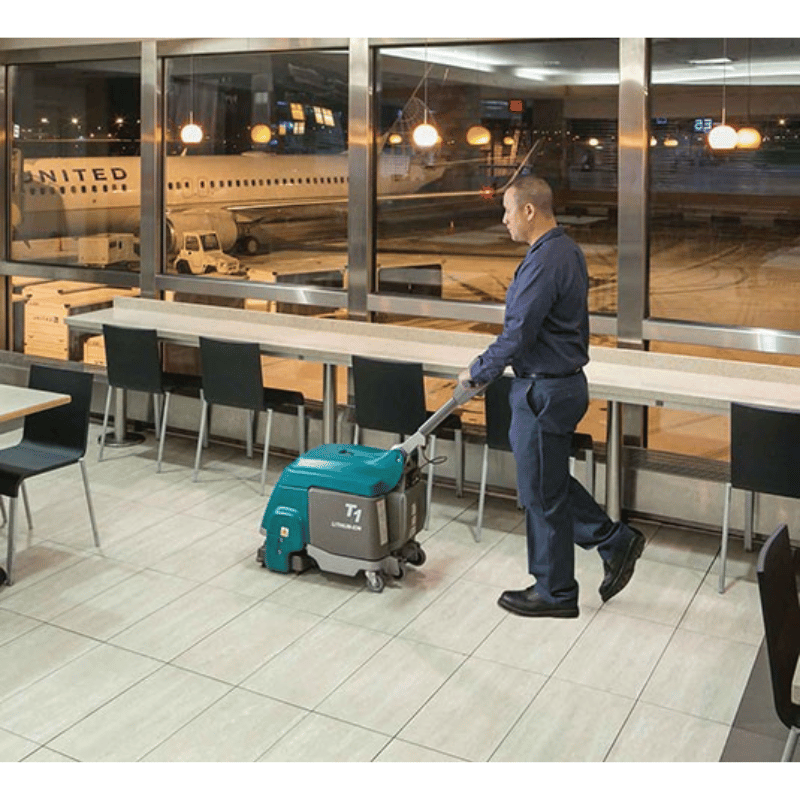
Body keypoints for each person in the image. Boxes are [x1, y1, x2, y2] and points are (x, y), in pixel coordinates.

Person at [458, 174, 644, 619]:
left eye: (507, 210)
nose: (503, 220)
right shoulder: (566, 250)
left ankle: (556, 591)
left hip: (544, 387)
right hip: (558, 383)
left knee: (541, 492)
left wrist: (477, 372)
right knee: (547, 482)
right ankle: (612, 541)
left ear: (528, 210)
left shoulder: (545, 260)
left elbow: (519, 331)